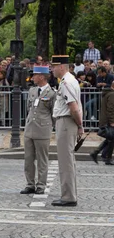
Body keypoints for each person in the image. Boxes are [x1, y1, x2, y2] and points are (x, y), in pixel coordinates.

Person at [51, 55, 82, 207]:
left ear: (61, 67)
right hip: (67, 122)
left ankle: (69, 196)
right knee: (67, 160)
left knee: (66, 161)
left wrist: (80, 125)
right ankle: (69, 194)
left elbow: (74, 108)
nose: (52, 69)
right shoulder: (70, 80)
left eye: (54, 66)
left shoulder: (66, 82)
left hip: (66, 122)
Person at [21, 66, 56, 195]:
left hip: (43, 129)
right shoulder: (32, 90)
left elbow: (54, 112)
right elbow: (29, 108)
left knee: (42, 159)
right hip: (30, 128)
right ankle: (30, 184)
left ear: (42, 76)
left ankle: (41, 184)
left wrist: (50, 126)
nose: (33, 77)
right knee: (28, 158)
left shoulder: (52, 93)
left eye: (35, 75)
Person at [92, 80, 114, 165]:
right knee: (111, 140)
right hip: (108, 121)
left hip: (107, 120)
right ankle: (107, 158)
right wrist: (112, 121)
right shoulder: (112, 94)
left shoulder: (108, 93)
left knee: (110, 139)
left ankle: (97, 153)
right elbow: (110, 109)